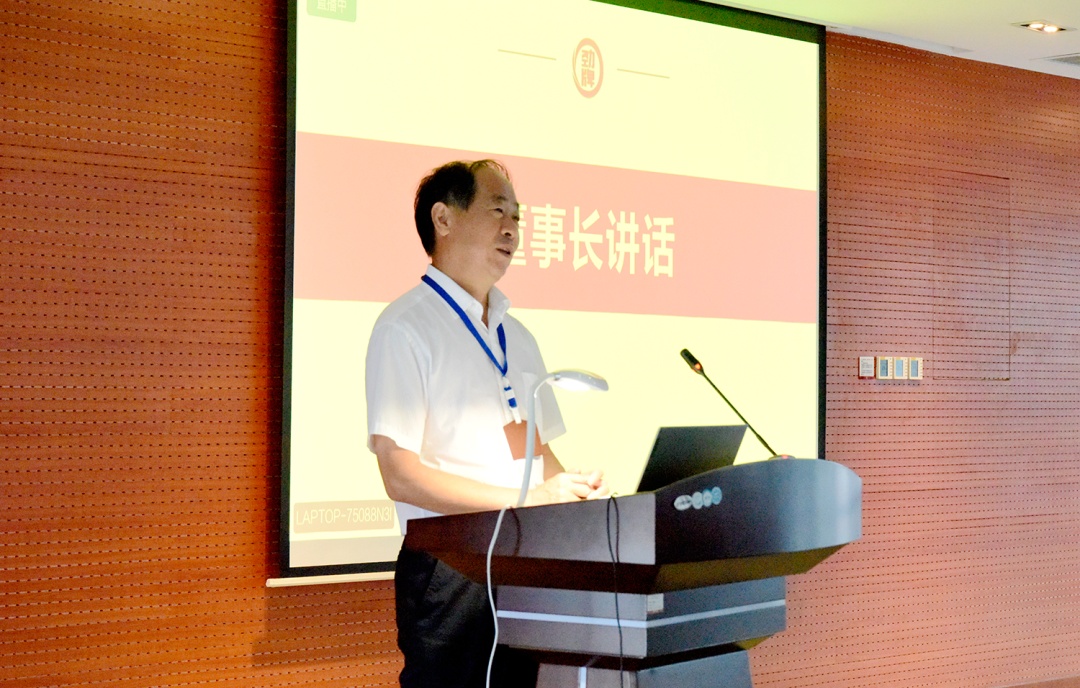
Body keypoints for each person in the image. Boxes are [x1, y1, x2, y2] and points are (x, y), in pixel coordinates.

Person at [366, 159, 608, 688]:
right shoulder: (405, 328)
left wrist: (575, 497)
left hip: (525, 563)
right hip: (451, 571)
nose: (512, 230)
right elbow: (399, 475)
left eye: (517, 217)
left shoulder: (515, 336)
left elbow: (530, 448)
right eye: (498, 211)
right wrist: (524, 502)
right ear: (443, 219)